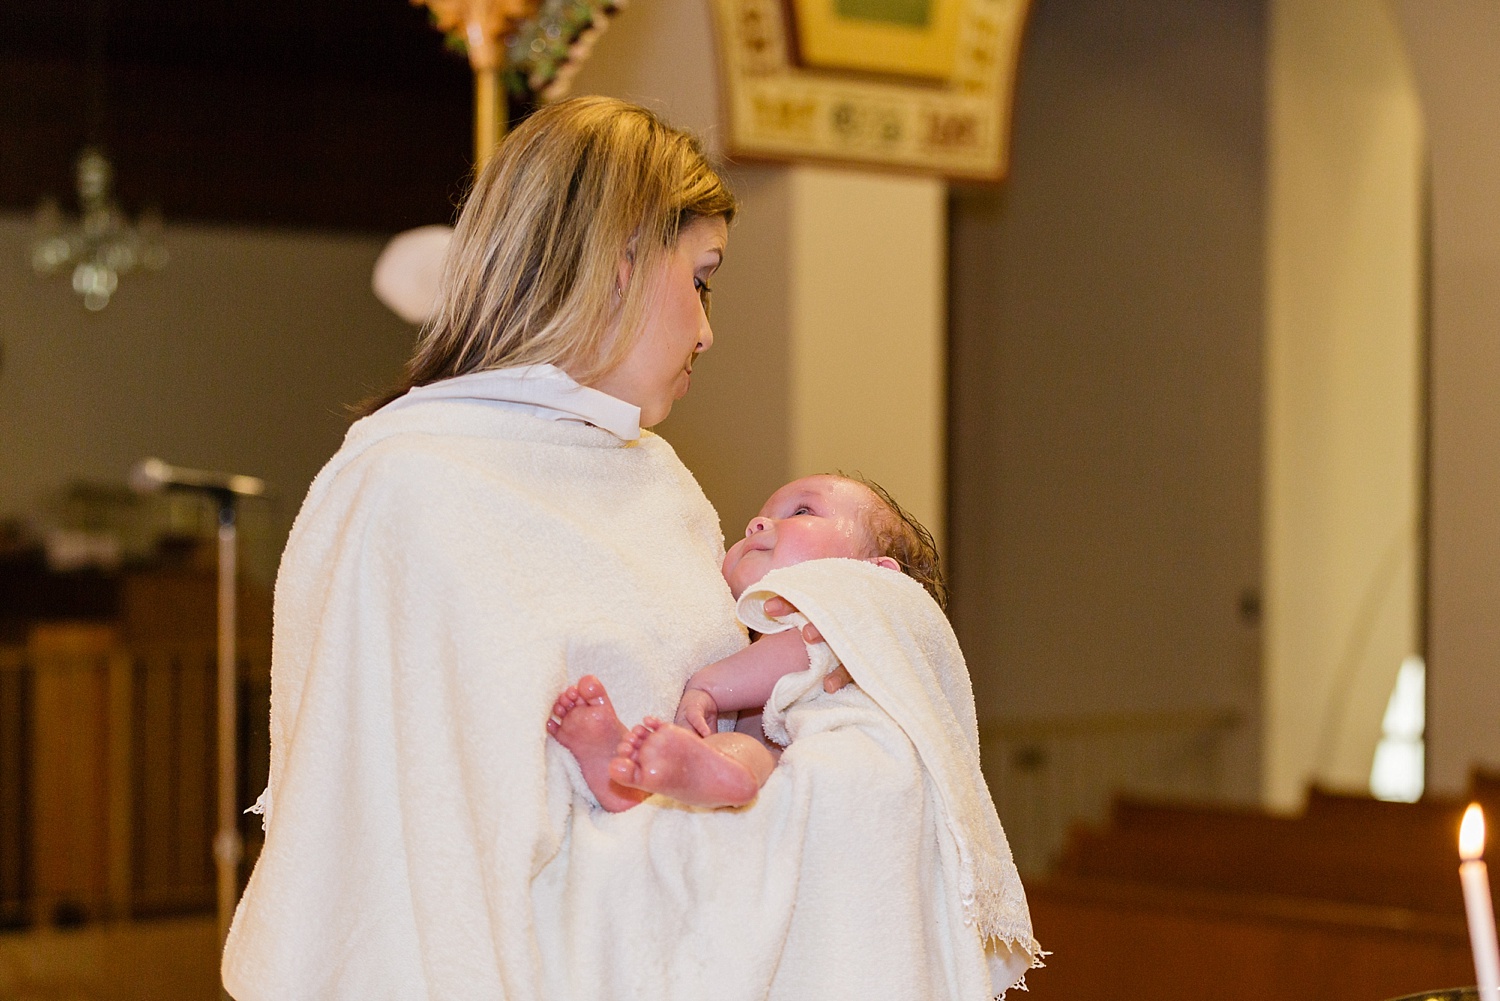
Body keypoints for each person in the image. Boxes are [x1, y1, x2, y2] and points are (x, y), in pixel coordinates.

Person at [221, 95, 1036, 1001]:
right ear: (621, 261)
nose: (708, 327)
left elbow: (742, 732)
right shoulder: (410, 488)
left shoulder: (657, 479)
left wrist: (852, 784)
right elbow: (423, 860)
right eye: (703, 278)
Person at [547, 472, 944, 810]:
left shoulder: (857, 614)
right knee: (739, 752)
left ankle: (678, 777)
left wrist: (708, 687)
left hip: (839, 773)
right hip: (773, 783)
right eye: (759, 517)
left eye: (802, 511)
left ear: (875, 572)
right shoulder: (740, 638)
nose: (757, 522)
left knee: (747, 756)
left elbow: (801, 653)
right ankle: (637, 779)